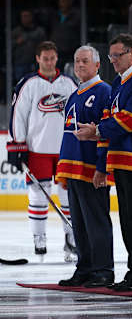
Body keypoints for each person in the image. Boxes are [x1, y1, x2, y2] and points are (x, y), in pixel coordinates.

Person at [75, 33, 132, 292]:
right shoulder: (121, 82)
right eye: (111, 57)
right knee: (128, 220)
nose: (113, 61)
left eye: (117, 56)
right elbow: (114, 118)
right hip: (121, 161)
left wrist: (98, 130)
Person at [7, 40, 77, 262]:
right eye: (45, 58)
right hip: (38, 149)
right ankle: (40, 238)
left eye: (52, 58)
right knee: (38, 195)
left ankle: (71, 239)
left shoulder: (69, 84)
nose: (49, 61)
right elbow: (18, 115)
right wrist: (17, 146)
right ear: (38, 59)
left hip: (66, 149)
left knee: (68, 195)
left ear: (57, 58)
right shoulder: (28, 84)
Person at [56, 45, 114, 287]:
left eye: (85, 61)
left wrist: (102, 167)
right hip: (73, 169)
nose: (80, 65)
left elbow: (106, 134)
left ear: (97, 65)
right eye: (77, 61)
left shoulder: (104, 92)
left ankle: (103, 270)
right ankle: (85, 267)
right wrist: (62, 170)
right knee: (79, 223)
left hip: (92, 170)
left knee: (96, 221)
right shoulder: (74, 95)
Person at [12, 9, 47, 82]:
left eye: (27, 16)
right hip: (20, 63)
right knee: (21, 86)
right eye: (23, 16)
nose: (25, 18)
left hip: (35, 63)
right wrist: (16, 42)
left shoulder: (39, 31)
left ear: (32, 17)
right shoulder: (16, 31)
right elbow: (8, 47)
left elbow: (45, 47)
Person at [49, 0, 81, 71]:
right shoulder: (54, 16)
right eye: (61, 1)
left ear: (70, 2)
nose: (62, 3)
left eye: (65, 1)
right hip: (56, 52)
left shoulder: (77, 16)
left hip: (70, 53)